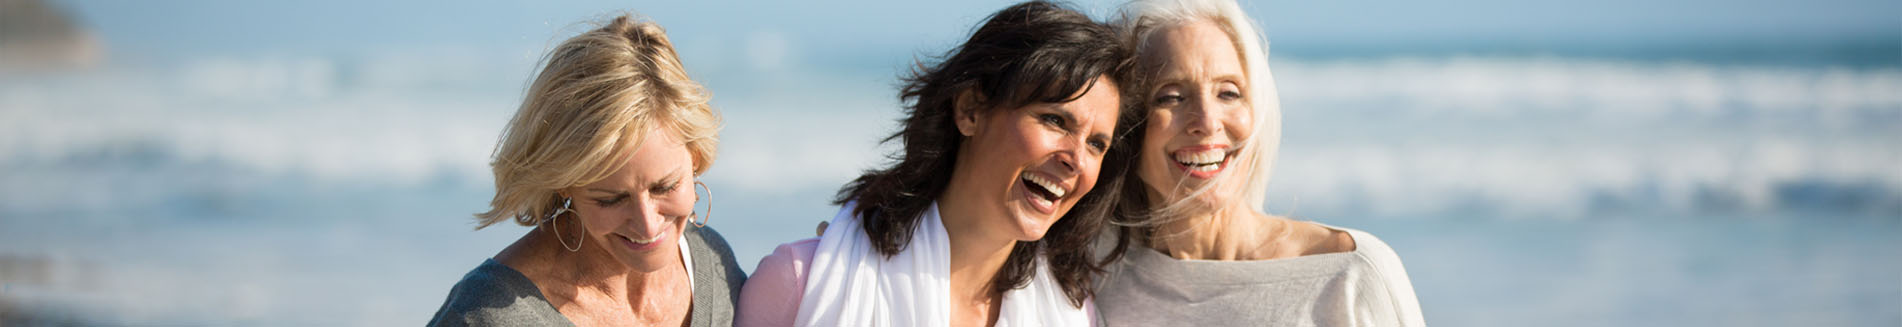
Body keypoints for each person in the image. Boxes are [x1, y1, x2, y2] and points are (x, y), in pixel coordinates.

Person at [735, 1, 1137, 326]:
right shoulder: (802, 282)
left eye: (1097, 144)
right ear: (970, 110)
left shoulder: (1070, 314)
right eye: (1055, 120)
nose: (1075, 160)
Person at [1091, 0, 1426, 325]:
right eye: (1171, 96)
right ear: (1125, 126)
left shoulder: (1351, 274)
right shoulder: (1094, 277)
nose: (1207, 122)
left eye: (1228, 93)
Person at [428, 14, 746, 327]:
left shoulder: (711, 264)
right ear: (563, 183)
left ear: (695, 155)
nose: (648, 226)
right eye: (611, 199)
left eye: (664, 187)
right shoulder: (487, 317)